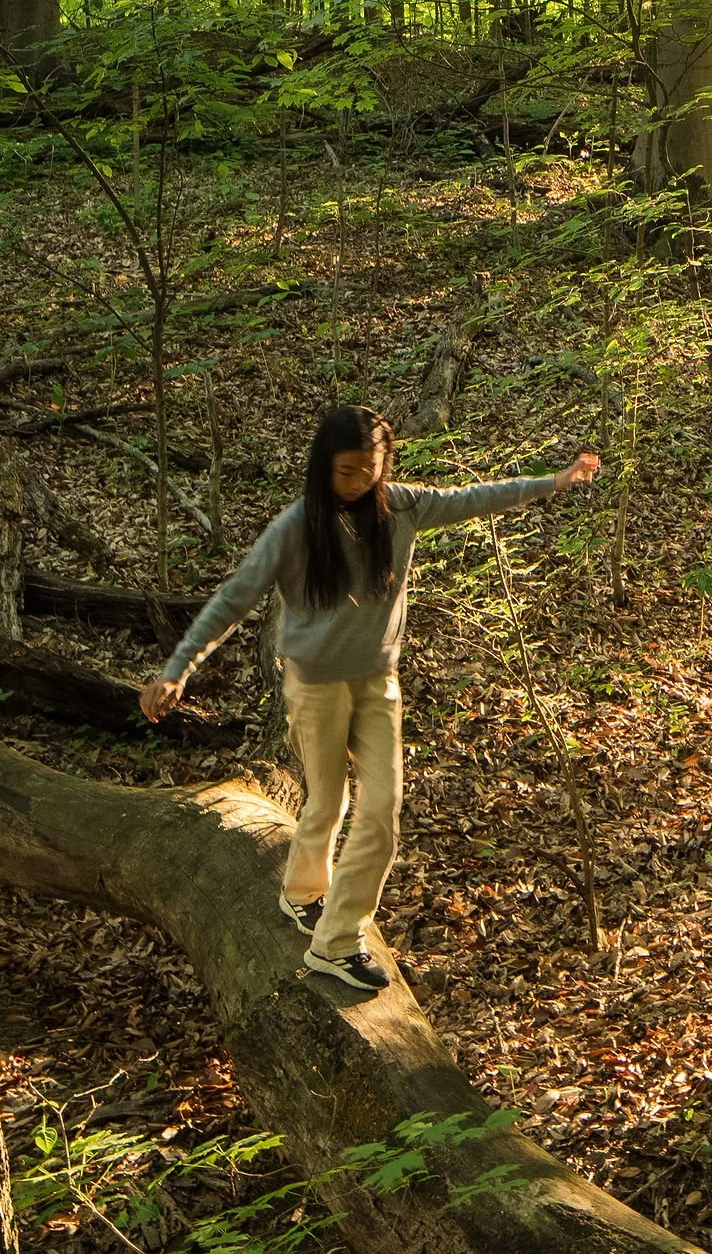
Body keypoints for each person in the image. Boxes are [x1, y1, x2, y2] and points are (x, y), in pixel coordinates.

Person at [139, 405, 601, 998]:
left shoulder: (402, 506)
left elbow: (475, 497)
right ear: (321, 467)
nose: (358, 483)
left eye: (369, 470)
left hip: (379, 684)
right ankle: (303, 892)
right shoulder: (296, 527)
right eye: (346, 471)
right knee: (326, 802)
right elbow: (233, 599)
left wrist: (554, 482)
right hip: (316, 685)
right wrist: (178, 670)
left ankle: (335, 942)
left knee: (381, 812)